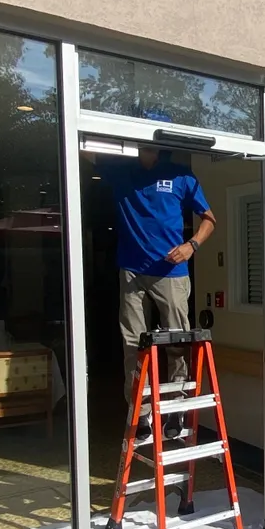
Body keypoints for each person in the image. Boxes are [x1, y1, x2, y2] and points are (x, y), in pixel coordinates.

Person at [94, 147, 215, 441]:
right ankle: (141, 411)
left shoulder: (180, 175)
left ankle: (175, 408)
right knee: (133, 344)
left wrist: (192, 246)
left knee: (177, 342)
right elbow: (82, 146)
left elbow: (209, 219)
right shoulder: (121, 170)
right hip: (132, 270)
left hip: (171, 272)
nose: (144, 147)